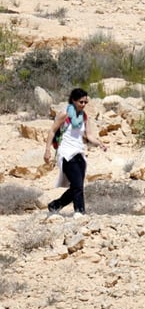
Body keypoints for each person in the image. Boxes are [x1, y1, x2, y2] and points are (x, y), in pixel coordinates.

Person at [43, 88, 106, 216]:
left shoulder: (84, 116)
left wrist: (100, 143)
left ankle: (55, 205)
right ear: (73, 100)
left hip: (79, 153)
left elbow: (89, 135)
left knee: (77, 186)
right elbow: (52, 130)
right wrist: (47, 150)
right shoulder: (64, 114)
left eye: (85, 102)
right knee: (77, 185)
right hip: (66, 153)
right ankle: (79, 212)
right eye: (81, 102)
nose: (83, 105)